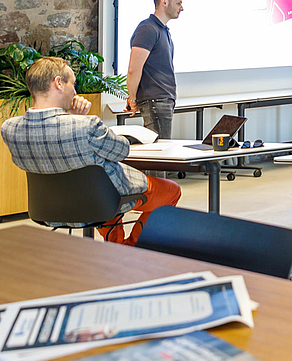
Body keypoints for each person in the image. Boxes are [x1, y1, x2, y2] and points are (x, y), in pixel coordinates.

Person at [1, 57, 180, 245]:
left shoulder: (10, 128)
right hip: (100, 200)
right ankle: (132, 245)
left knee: (100, 190)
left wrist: (72, 117)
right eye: (73, 83)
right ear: (58, 83)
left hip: (49, 207)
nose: (75, 91)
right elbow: (120, 152)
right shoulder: (87, 125)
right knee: (171, 190)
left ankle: (116, 246)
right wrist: (79, 119)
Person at [127, 0, 183, 139]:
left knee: (162, 147)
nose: (181, 8)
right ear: (164, 2)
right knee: (161, 151)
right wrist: (132, 98)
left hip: (163, 99)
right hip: (156, 100)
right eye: (178, 3)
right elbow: (134, 68)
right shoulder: (147, 29)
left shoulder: (163, 30)